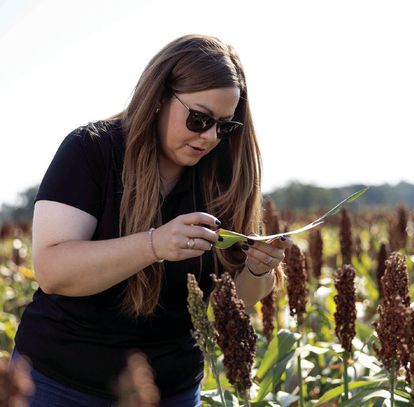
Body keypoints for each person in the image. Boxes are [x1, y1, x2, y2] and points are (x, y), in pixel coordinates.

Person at [10, 34, 291, 406]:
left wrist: (258, 270)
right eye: (198, 118)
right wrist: (154, 244)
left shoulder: (224, 177)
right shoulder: (91, 150)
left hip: (170, 389)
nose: (209, 137)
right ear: (159, 97)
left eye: (224, 126)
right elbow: (53, 270)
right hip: (59, 384)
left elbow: (231, 299)